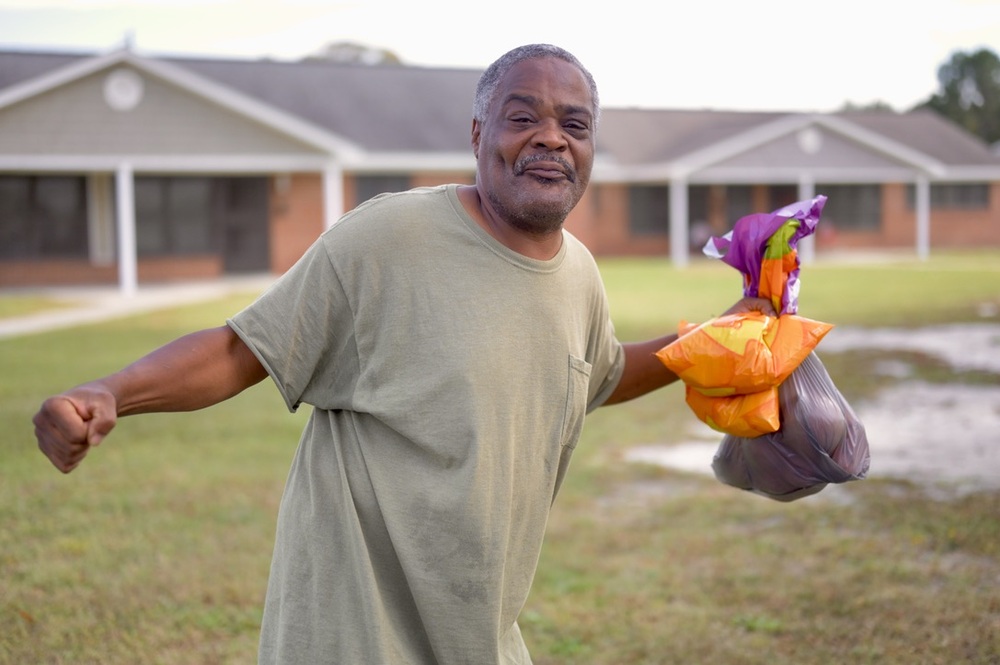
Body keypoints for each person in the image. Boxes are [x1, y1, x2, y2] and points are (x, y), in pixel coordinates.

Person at [33, 44, 772, 664]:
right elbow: (241, 350)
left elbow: (599, 376)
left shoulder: (578, 273)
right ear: (478, 133)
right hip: (353, 631)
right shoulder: (388, 238)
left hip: (478, 631)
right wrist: (110, 392)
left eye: (573, 125)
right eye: (524, 118)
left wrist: (720, 336)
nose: (551, 138)